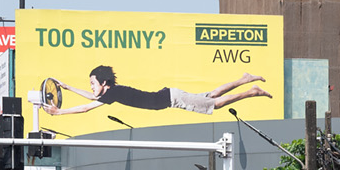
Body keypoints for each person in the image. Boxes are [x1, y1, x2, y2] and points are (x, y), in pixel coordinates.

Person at [44, 66, 270, 118]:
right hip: (170, 95)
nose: (92, 87)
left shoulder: (112, 93)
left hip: (172, 99)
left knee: (216, 104)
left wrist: (59, 113)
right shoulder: (112, 92)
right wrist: (67, 87)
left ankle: (251, 91)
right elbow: (93, 96)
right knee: (210, 97)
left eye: (93, 82)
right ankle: (244, 79)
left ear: (104, 82)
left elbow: (87, 105)